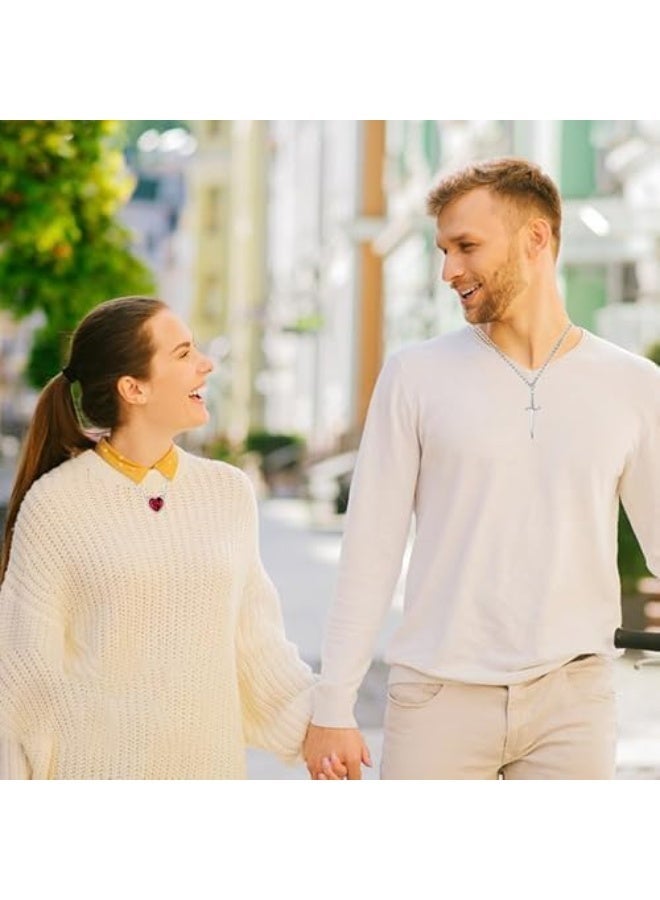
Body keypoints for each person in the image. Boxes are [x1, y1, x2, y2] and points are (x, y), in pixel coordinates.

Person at [304, 157, 660, 780]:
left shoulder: (633, 385)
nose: (449, 271)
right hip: (437, 700)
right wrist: (333, 703)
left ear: (536, 238)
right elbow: (370, 550)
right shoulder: (414, 376)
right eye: (443, 251)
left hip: (573, 704)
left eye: (466, 246)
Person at [0, 296, 344, 780]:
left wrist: (324, 725)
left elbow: (255, 645)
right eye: (183, 354)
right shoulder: (55, 504)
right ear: (133, 388)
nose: (206, 365)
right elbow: (22, 682)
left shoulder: (227, 492)